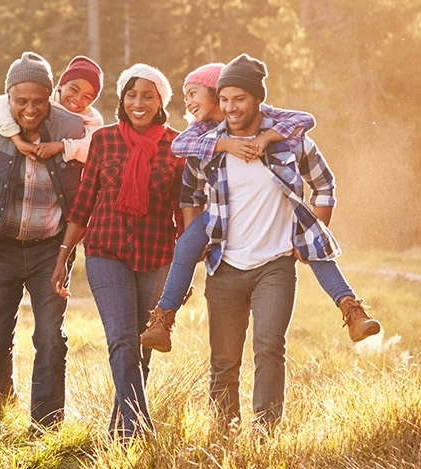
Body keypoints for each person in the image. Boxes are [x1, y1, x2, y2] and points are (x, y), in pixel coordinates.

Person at [170, 53, 377, 432]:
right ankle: (224, 432)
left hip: (276, 265)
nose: (232, 107)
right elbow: (189, 193)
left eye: (241, 99)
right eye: (226, 99)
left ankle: (265, 432)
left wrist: (311, 234)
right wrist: (194, 235)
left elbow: (325, 185)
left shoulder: (290, 142)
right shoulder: (209, 145)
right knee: (224, 360)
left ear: (257, 99)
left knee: (268, 348)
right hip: (225, 265)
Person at [141, 62, 381, 353]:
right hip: (218, 215)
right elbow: (181, 151)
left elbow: (304, 119)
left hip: (275, 216)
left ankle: (351, 308)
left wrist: (267, 137)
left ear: (217, 93)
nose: (189, 102)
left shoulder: (266, 119)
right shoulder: (202, 131)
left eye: (193, 93)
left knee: (312, 243)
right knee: (186, 245)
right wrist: (226, 145)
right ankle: (163, 319)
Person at [51, 64, 185, 441]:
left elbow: (182, 213)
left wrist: (183, 273)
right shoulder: (104, 141)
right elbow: (83, 204)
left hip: (157, 256)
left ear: (161, 101)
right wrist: (63, 256)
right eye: (131, 95)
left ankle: (120, 432)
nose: (137, 103)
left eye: (147, 96)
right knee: (122, 341)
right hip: (106, 252)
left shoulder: (177, 146)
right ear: (121, 99)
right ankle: (142, 431)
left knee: (142, 348)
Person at [0, 52, 86, 429]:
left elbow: (92, 177)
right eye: (21, 101)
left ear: (50, 95)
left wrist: (67, 254)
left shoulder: (72, 128)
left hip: (50, 248)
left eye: (38, 100)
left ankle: (46, 423)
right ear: (8, 98)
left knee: (50, 337)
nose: (29, 109)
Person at [0, 55, 104, 163]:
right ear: (61, 85)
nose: (78, 99)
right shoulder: (43, 98)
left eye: (87, 97)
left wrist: (62, 146)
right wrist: (17, 139)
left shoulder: (90, 119)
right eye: (74, 90)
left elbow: (96, 148)